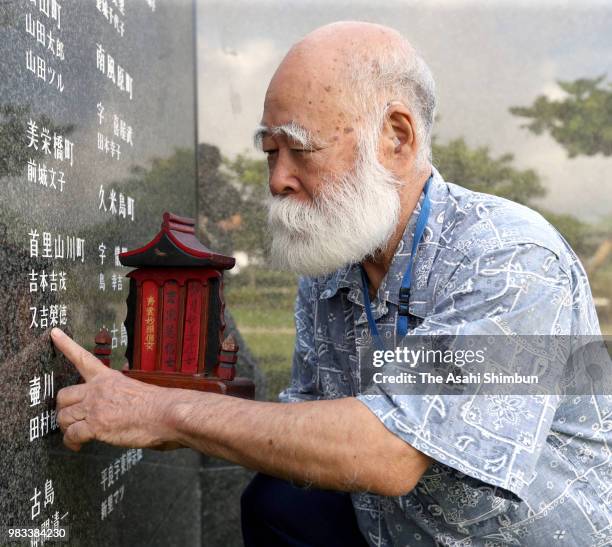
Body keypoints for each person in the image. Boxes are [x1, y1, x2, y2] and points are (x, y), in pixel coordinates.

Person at [51, 21, 611, 547]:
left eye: (301, 149)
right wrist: (161, 405)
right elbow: (304, 423)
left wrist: (164, 411)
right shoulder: (334, 267)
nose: (277, 180)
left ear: (396, 137)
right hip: (387, 530)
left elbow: (392, 452)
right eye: (270, 152)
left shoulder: (510, 259)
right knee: (277, 501)